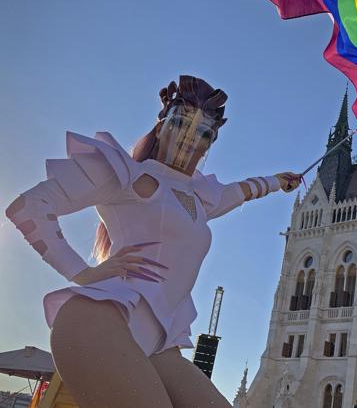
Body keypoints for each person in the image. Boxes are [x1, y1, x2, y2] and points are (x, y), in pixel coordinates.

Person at [5, 75, 302, 407]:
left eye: (204, 133)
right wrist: (81, 272)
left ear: (209, 145)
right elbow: (29, 207)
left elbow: (245, 190)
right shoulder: (128, 174)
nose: (192, 138)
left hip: (159, 346)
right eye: (181, 123)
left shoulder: (202, 197)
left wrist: (280, 181)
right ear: (161, 127)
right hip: (97, 324)